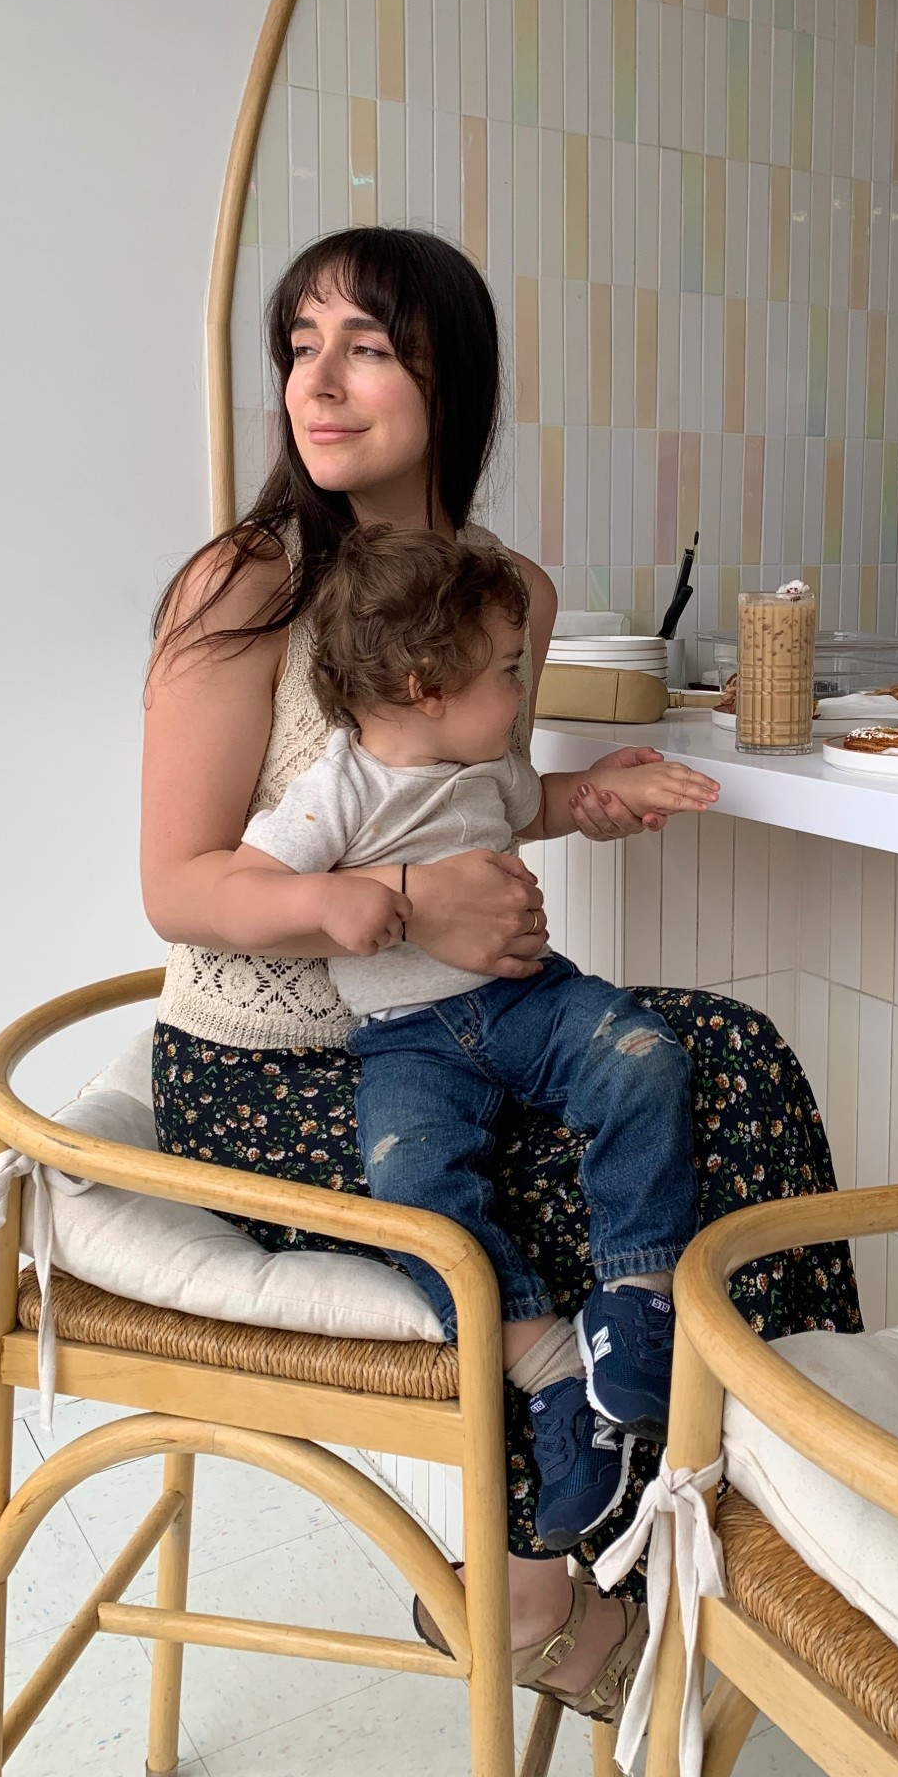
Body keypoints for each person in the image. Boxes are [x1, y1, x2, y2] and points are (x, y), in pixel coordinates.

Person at [142, 225, 859, 1724]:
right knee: (580, 1188)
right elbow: (179, 885)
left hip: (462, 1025)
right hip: (268, 1076)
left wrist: (590, 792)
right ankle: (549, 1580)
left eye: (367, 347)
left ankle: (730, 1518)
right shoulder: (246, 587)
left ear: (448, 377)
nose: (316, 384)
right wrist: (397, 902)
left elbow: (479, 798)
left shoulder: (505, 591)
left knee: (730, 1055)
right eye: (297, 346)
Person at [215, 522, 715, 1550]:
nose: (523, 694)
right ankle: (548, 1370)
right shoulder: (338, 792)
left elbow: (552, 803)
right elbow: (254, 881)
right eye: (510, 672)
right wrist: (344, 894)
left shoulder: (485, 765)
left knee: (646, 1058)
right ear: (425, 683)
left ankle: (637, 1297)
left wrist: (615, 787)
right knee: (416, 1190)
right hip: (408, 1043)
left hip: (530, 1001)